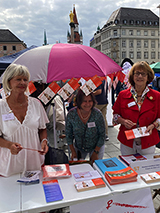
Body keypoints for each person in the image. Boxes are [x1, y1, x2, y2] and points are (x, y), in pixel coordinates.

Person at [0, 64, 49, 177]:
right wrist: (9, 145)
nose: (22, 82)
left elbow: (42, 128)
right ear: (9, 81)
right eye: (18, 79)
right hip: (9, 167)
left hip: (34, 164)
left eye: (25, 79)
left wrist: (44, 141)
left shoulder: (36, 104)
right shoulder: (1, 107)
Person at [113, 61, 160, 155]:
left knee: (146, 168)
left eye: (143, 74)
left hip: (148, 140)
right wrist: (123, 121)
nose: (140, 76)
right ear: (132, 76)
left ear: (148, 77)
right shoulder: (123, 95)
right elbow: (115, 115)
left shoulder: (157, 96)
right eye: (137, 73)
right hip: (127, 140)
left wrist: (153, 125)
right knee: (128, 167)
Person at [65, 89, 105, 164]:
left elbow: (102, 135)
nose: (87, 104)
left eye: (90, 101)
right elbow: (68, 135)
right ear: (79, 101)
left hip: (96, 146)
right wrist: (73, 151)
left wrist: (96, 152)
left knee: (96, 167)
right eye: (84, 101)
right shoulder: (71, 114)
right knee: (78, 168)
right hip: (79, 147)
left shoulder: (97, 114)